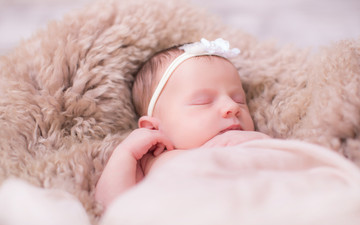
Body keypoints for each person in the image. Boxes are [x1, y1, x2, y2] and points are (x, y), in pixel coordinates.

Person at [95, 38, 270, 208]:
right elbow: (113, 208)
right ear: (153, 128)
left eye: (239, 100)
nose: (232, 107)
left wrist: (261, 143)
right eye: (203, 101)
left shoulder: (253, 144)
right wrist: (126, 153)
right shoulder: (153, 163)